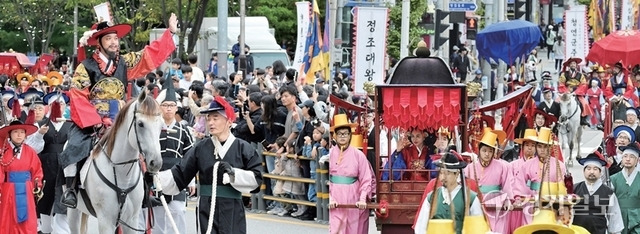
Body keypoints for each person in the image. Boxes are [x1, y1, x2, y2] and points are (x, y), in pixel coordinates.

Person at [60, 13, 179, 208]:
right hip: (93, 120)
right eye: (109, 38)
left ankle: (146, 188)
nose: (114, 42)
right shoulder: (85, 67)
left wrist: (170, 33)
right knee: (72, 146)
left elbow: (149, 55)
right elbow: (78, 96)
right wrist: (95, 121)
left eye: (116, 38)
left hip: (120, 118)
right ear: (99, 42)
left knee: (142, 141)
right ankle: (72, 189)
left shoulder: (125, 62)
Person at [157, 96, 262, 234]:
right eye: (208, 119)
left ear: (229, 121)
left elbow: (257, 178)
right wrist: (157, 179)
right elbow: (180, 173)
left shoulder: (243, 148)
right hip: (206, 207)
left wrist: (233, 174)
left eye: (215, 118)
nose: (210, 123)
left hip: (232, 207)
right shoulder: (201, 148)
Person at [145, 81, 195, 233]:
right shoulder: (152, 128)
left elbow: (190, 157)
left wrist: (192, 180)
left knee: (178, 212)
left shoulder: (184, 129)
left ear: (176, 108)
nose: (168, 108)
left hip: (177, 176)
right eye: (165, 105)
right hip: (155, 176)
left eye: (172, 105)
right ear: (160, 107)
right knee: (157, 215)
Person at [327, 114, 375, 234]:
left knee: (355, 228)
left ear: (350, 135)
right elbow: (324, 178)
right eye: (339, 134)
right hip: (335, 195)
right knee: (336, 229)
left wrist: (363, 198)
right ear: (335, 136)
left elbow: (366, 178)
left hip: (354, 195)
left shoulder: (358, 155)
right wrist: (330, 198)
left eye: (345, 133)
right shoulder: (330, 154)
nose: (342, 136)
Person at [413, 151, 483, 234]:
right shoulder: (431, 197)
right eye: (441, 173)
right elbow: (421, 228)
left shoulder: (470, 198)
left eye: (447, 173)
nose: (442, 177)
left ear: (456, 174)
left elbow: (478, 229)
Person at [463, 130, 513, 233]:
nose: (487, 154)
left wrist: (508, 199)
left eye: (490, 151)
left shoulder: (502, 166)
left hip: (496, 203)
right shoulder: (469, 168)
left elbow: (507, 185)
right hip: (476, 202)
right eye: (484, 150)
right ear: (479, 150)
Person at [0, 120, 44, 233]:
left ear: (25, 134)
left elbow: (37, 171)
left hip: (27, 189)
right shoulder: (3, 152)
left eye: (22, 132)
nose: (19, 135)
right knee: (9, 218)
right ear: (9, 134)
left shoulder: (30, 152)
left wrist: (37, 185)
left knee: (28, 220)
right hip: (8, 190)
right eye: (15, 132)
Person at [38, 92, 73, 233]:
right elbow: (35, 147)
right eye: (55, 105)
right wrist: (40, 134)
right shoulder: (41, 124)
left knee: (62, 200)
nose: (59, 107)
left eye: (62, 104)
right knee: (45, 199)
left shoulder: (70, 124)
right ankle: (45, 229)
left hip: (64, 167)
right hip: (46, 166)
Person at [572, 149, 624, 234]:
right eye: (588, 168)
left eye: (595, 169)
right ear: (584, 171)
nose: (592, 172)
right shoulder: (575, 189)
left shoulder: (608, 193)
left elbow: (615, 219)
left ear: (600, 172)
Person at [610, 143, 640, 234]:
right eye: (625, 156)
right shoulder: (613, 179)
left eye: (632, 157)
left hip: (637, 220)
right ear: (622, 159)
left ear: (637, 160)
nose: (628, 159)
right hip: (618, 218)